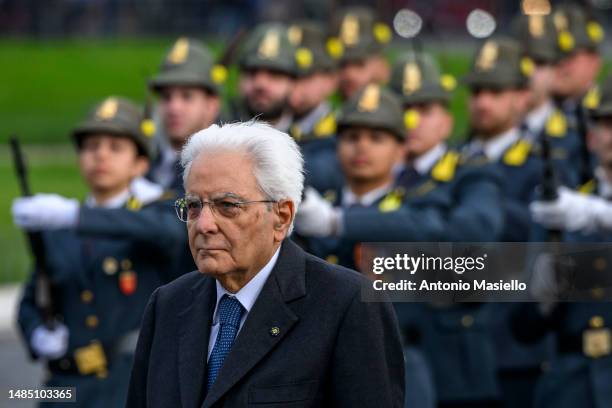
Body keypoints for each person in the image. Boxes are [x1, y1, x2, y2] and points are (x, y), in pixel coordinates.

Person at [126, 121, 405, 408]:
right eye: (194, 206)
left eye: (227, 206)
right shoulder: (168, 305)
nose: (204, 225)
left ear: (281, 217)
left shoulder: (346, 303)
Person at [12, 97, 186, 407]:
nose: (101, 155)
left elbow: (169, 231)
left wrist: (75, 216)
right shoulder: (57, 227)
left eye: (115, 147)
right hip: (63, 388)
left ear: (140, 164)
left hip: (128, 383)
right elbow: (30, 300)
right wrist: (37, 333)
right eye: (91, 146)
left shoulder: (153, 214)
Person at [514, 75, 612, 408]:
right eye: (608, 124)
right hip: (572, 382)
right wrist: (542, 297)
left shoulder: (581, 210)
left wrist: (597, 214)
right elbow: (524, 328)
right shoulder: (565, 211)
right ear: (591, 137)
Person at [147, 37, 225, 194]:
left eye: (187, 96)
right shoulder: (142, 163)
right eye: (166, 97)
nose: (174, 108)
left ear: (212, 106)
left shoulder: (225, 169)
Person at [550, 3, 604, 185]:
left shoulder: (602, 114)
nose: (560, 64)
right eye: (553, 55)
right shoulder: (528, 113)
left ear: (594, 61)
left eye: (570, 56)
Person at [287, 21, 343, 192]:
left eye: (306, 77)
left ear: (331, 80)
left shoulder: (342, 129)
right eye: (288, 76)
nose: (295, 85)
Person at [232, 23, 298, 131]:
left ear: (293, 83)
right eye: (252, 73)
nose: (260, 84)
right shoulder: (218, 137)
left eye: (274, 74)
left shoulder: (312, 139)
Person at [329, 6, 392, 100]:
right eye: (342, 65)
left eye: (359, 64)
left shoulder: (398, 107)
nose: (349, 74)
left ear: (381, 64)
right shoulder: (328, 108)